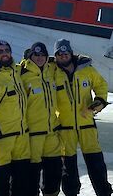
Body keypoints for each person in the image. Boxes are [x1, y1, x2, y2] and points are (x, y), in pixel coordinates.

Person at [54, 38, 112, 196]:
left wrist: (96, 105)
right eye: (59, 53)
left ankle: (104, 192)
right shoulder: (52, 72)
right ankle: (71, 193)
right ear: (56, 55)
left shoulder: (86, 69)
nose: (63, 55)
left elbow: (101, 85)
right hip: (65, 128)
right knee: (68, 166)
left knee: (96, 163)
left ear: (70, 53)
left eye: (66, 52)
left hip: (86, 124)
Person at [0, 40, 30, 196]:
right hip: (1, 137)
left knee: (21, 179)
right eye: (0, 51)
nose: (4, 54)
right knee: (0, 180)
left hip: (21, 136)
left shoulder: (16, 71)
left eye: (7, 50)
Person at [20, 42, 62, 196]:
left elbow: (65, 59)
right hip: (33, 134)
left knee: (54, 170)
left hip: (51, 132)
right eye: (36, 55)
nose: (39, 58)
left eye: (42, 55)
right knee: (32, 174)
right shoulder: (22, 74)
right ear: (30, 56)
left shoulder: (51, 71)